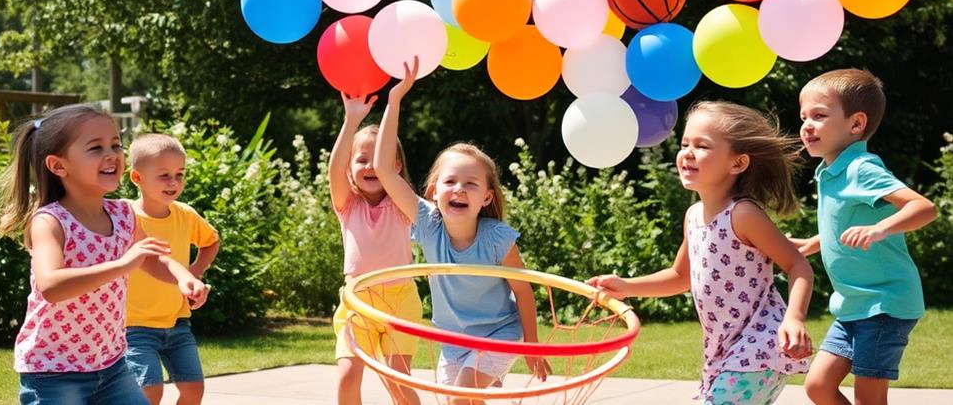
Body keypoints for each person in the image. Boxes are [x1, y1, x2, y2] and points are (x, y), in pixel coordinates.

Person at [589, 101, 814, 405]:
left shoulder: (743, 214)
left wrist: (795, 318)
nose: (688, 153)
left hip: (758, 345)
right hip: (724, 350)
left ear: (738, 164)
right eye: (685, 144)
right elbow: (679, 276)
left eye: (702, 145)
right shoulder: (694, 216)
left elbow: (797, 264)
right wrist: (628, 286)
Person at [0, 104, 209, 405]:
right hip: (55, 371)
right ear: (58, 166)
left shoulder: (123, 214)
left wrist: (183, 278)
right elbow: (51, 286)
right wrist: (121, 265)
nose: (112, 154)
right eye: (95, 148)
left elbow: (152, 258)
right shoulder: (50, 221)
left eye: (115, 145)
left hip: (111, 366)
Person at [375, 59, 552, 405]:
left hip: (500, 334)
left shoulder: (496, 238)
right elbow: (383, 168)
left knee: (461, 399)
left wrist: (532, 345)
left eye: (470, 184)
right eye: (450, 182)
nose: (459, 189)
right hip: (452, 342)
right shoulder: (427, 223)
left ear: (486, 197)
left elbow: (524, 292)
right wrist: (394, 101)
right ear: (433, 191)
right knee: (465, 402)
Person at [792, 69, 936, 405]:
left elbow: (924, 207)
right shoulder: (830, 170)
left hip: (884, 303)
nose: (807, 125)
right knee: (817, 386)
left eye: (819, 115)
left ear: (856, 124)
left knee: (869, 398)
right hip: (854, 305)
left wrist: (880, 229)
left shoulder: (862, 168)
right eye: (803, 117)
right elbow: (844, 220)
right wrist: (812, 244)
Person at [328, 90, 422, 405]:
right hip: (358, 301)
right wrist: (351, 119)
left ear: (394, 167)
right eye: (361, 159)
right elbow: (334, 168)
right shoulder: (347, 205)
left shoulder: (402, 204)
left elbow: (382, 166)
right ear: (350, 168)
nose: (370, 166)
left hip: (400, 301)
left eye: (377, 160)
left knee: (397, 380)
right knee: (347, 377)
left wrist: (393, 104)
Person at [124, 133, 219, 405]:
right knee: (148, 392)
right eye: (164, 175)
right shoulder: (125, 217)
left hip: (178, 322)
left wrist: (195, 272)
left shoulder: (185, 214)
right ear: (137, 178)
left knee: (193, 390)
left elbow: (211, 241)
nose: (174, 181)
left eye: (180, 174)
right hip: (134, 327)